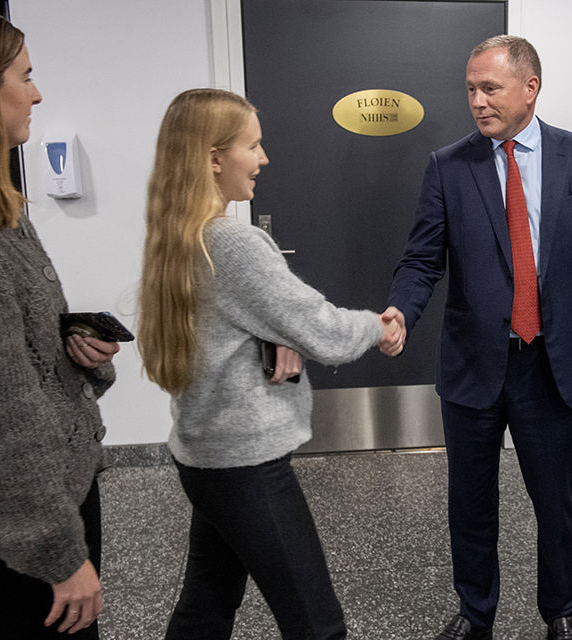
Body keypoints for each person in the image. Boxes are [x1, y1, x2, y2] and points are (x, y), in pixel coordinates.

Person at [382, 35, 572, 640]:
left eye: (489, 88)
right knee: (471, 505)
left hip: (556, 362)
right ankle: (476, 615)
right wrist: (400, 310)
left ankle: (562, 613)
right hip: (473, 364)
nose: (477, 101)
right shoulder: (450, 165)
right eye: (471, 88)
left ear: (530, 88)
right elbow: (421, 261)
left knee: (558, 503)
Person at [137, 88, 403, 640]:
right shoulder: (232, 241)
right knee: (317, 623)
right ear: (214, 158)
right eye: (252, 146)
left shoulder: (179, 236)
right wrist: (378, 327)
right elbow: (324, 332)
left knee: (205, 608)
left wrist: (277, 335)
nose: (263, 159)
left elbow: (232, 326)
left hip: (204, 454)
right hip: (245, 466)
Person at [0, 4, 120, 638]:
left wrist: (69, 344)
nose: (37, 93)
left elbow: (4, 351)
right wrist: (58, 556)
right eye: (25, 76)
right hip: (15, 523)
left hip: (47, 497)